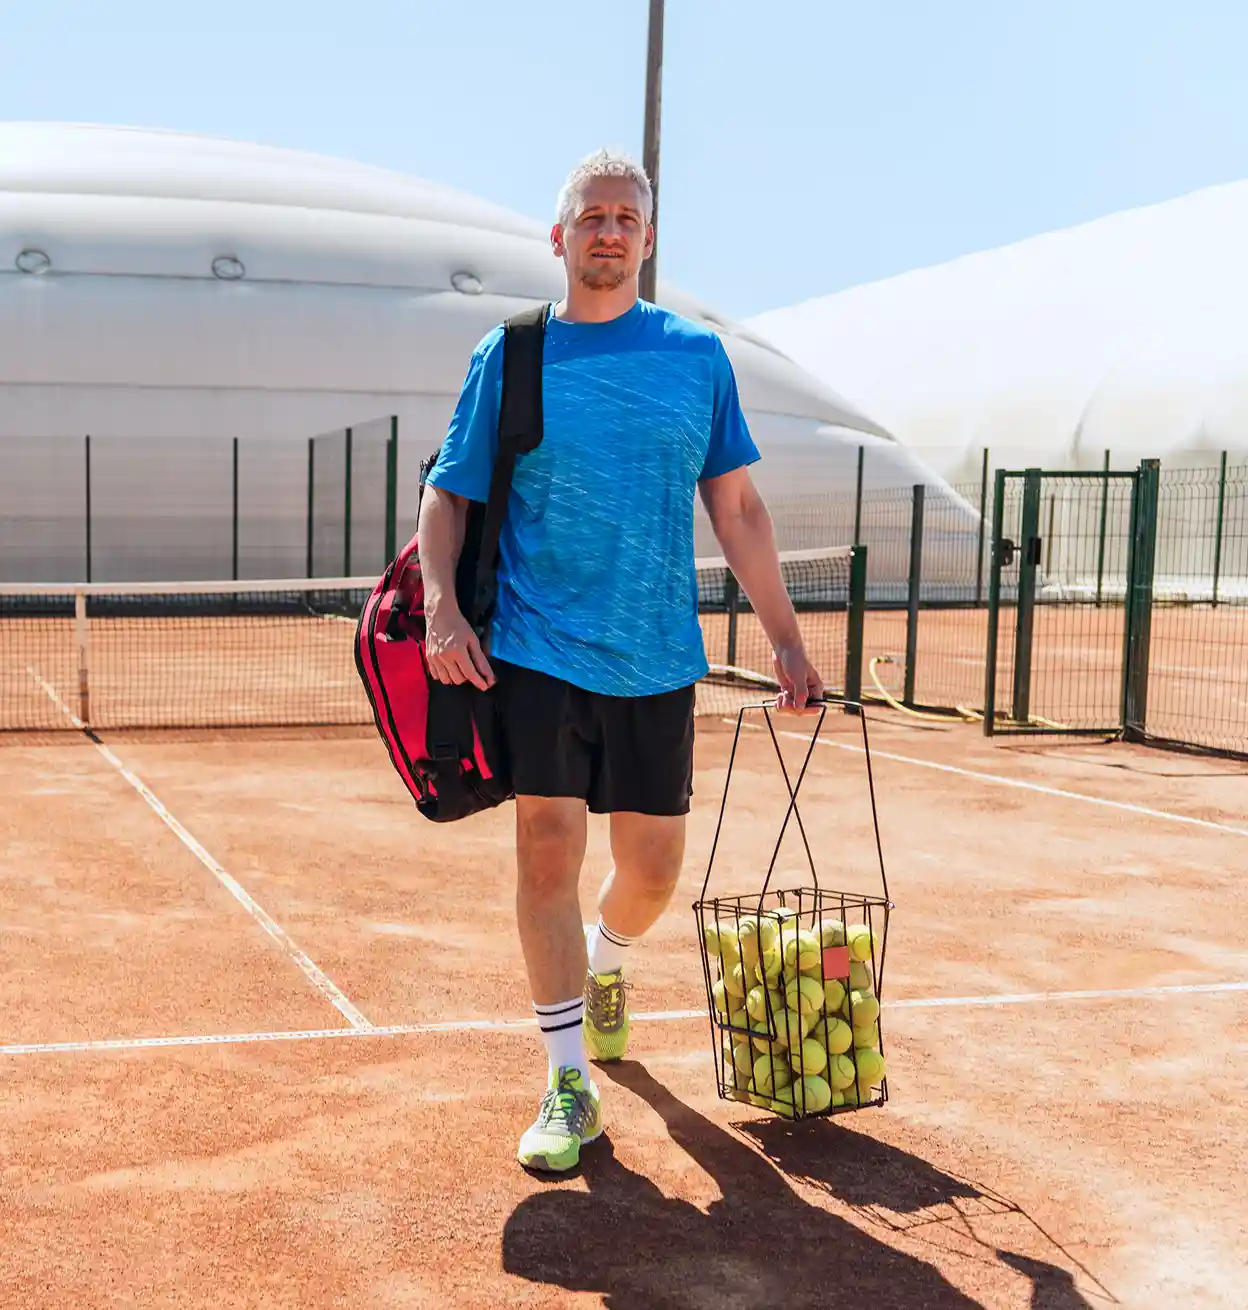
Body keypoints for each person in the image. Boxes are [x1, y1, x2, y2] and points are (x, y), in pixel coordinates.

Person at [418, 149, 824, 1173]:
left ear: (646, 240)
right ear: (559, 237)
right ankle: (568, 1080)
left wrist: (784, 635)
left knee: (650, 872)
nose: (608, 230)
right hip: (535, 643)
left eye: (626, 218)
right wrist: (441, 608)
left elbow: (737, 505)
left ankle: (609, 960)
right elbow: (449, 494)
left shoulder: (697, 359)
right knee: (546, 848)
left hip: (655, 657)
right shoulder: (508, 356)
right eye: (591, 215)